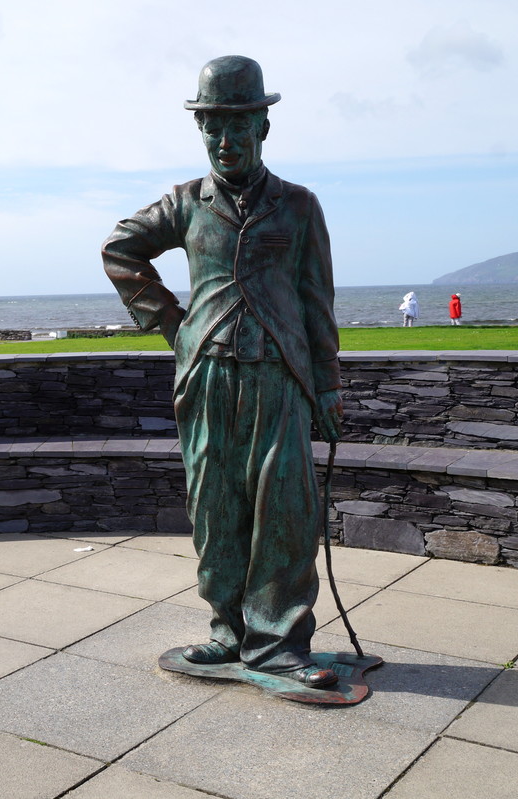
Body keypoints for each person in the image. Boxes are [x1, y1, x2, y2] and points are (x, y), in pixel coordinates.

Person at [103, 56, 343, 688]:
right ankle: (229, 631)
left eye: (238, 125)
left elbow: (317, 303)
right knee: (214, 507)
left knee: (285, 511)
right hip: (207, 377)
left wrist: (326, 385)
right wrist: (172, 323)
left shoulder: (298, 206)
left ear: (263, 126)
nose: (226, 140)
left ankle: (279, 642)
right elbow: (121, 249)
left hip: (278, 379)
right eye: (213, 126)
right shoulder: (185, 202)